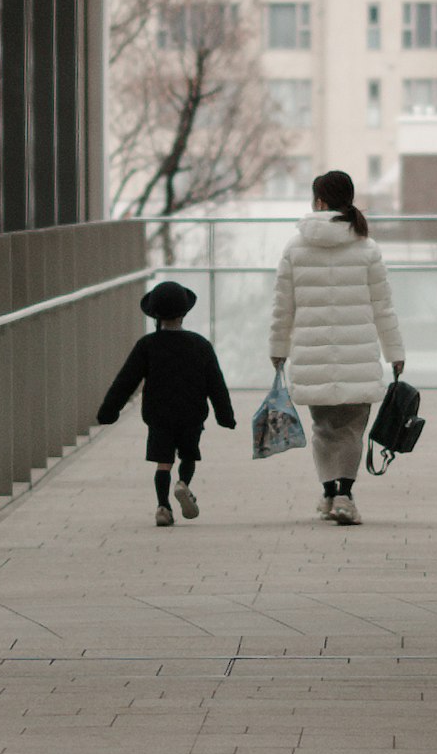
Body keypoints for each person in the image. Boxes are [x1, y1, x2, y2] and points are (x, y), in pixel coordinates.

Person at [268, 171, 404, 525]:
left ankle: (330, 494)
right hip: (357, 356)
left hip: (311, 355)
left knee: (324, 429)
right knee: (351, 430)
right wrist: (395, 353)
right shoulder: (366, 247)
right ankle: (345, 493)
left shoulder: (295, 247)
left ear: (319, 201)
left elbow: (284, 306)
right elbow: (383, 307)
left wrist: (278, 348)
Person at [97, 279, 235, 526]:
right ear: (183, 313)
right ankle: (183, 485)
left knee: (164, 461)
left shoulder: (147, 346)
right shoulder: (200, 345)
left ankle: (163, 507)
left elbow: (126, 381)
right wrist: (225, 416)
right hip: (191, 414)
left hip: (159, 415)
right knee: (188, 455)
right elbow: (216, 383)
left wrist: (109, 411)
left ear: (156, 315)